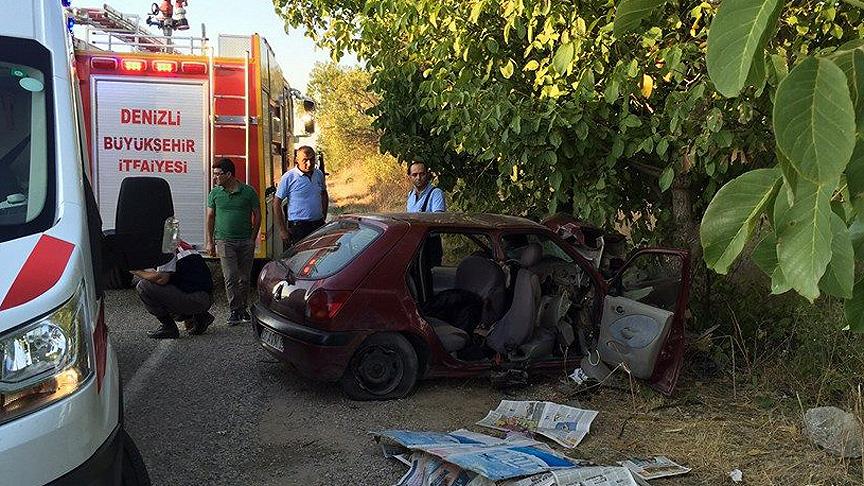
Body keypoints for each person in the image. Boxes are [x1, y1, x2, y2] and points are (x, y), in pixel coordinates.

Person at [205, 158, 261, 326]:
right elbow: (210, 217)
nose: (215, 178)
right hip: (224, 242)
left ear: (229, 174)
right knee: (230, 277)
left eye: (217, 174)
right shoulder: (215, 193)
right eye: (214, 174)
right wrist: (210, 241)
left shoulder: (249, 192)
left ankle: (243, 309)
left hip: (245, 241)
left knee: (244, 278)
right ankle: (234, 311)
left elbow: (257, 215)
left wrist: (252, 239)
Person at [132, 241, 215, 339]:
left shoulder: (165, 248)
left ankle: (169, 328)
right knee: (168, 284)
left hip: (196, 299)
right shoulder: (176, 243)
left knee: (144, 286)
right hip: (206, 296)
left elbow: (162, 279)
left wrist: (136, 271)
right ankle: (201, 317)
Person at [274, 145, 328, 248]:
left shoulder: (319, 174)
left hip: (318, 225)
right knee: (301, 260)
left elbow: (324, 194)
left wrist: (323, 216)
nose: (309, 163)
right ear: (296, 160)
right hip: (298, 228)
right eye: (305, 160)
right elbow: (276, 203)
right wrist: (283, 230)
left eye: (312, 159)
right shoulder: (289, 177)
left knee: (318, 258)